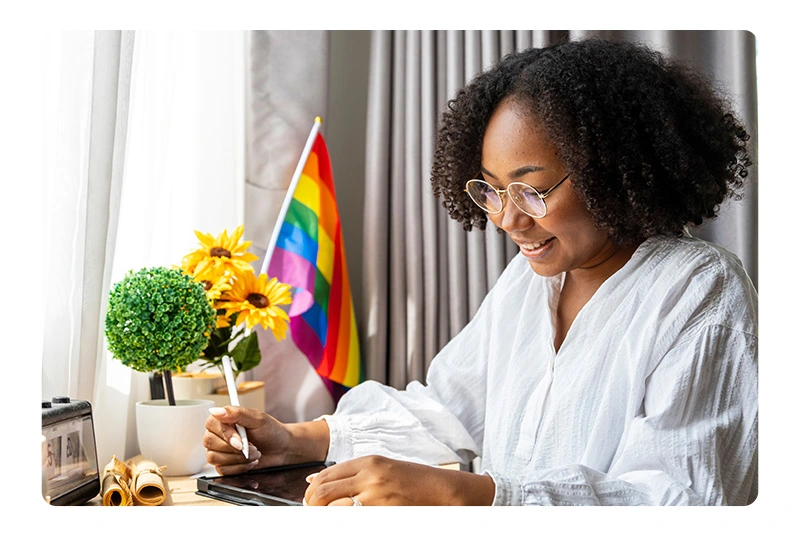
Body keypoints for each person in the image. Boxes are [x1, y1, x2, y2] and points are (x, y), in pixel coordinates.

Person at [203, 38, 757, 506]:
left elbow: (681, 496)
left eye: (531, 190)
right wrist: (294, 440)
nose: (507, 218)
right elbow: (449, 412)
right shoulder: (531, 278)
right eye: (492, 189)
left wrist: (474, 495)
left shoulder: (700, 291)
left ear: (615, 174)